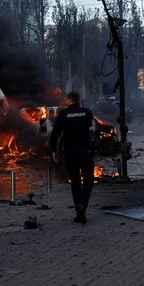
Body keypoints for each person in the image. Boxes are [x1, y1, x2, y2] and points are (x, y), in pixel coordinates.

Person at [49, 91, 95, 224]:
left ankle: (78, 211)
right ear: (78, 100)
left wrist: (53, 151)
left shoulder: (63, 114)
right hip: (84, 152)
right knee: (88, 180)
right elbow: (92, 130)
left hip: (69, 153)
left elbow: (55, 134)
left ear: (69, 100)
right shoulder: (87, 112)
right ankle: (83, 205)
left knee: (75, 181)